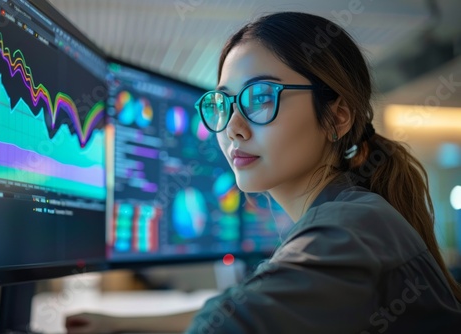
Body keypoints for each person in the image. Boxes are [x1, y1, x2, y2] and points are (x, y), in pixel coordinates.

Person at [66, 12, 461, 333]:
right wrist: (120, 324)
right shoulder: (352, 213)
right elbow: (235, 309)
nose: (233, 126)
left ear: (337, 117)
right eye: (223, 103)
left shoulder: (348, 227)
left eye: (260, 97)